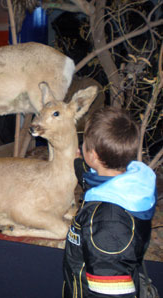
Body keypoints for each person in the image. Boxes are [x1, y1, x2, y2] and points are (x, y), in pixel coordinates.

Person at [62, 107, 156, 297]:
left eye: (84, 143)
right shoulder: (126, 183)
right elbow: (94, 181)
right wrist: (79, 164)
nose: (81, 145)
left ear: (94, 156)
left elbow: (111, 291)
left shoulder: (109, 225)